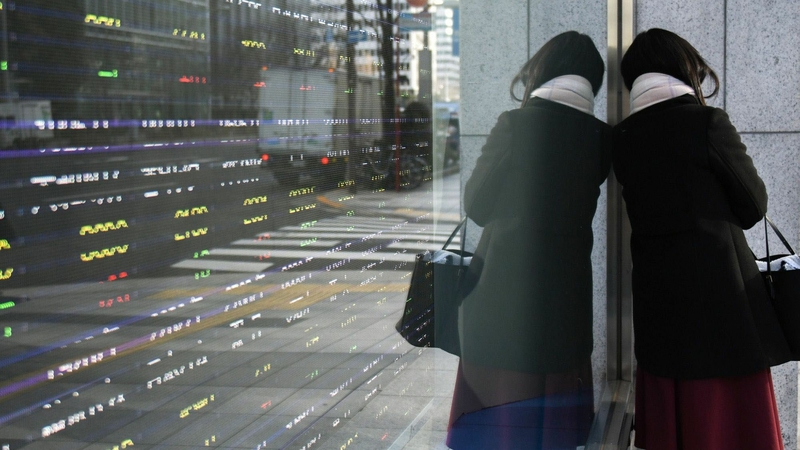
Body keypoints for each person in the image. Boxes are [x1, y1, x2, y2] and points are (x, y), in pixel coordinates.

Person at [612, 28, 791, 450]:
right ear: (684, 67)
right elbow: (753, 207)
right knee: (731, 427)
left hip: (660, 306)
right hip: (722, 304)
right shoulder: (707, 123)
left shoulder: (621, 140)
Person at [448, 31, 611, 449]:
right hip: (565, 315)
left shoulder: (516, 125)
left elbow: (478, 206)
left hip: (503, 310)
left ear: (543, 71)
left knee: (497, 435)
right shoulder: (600, 138)